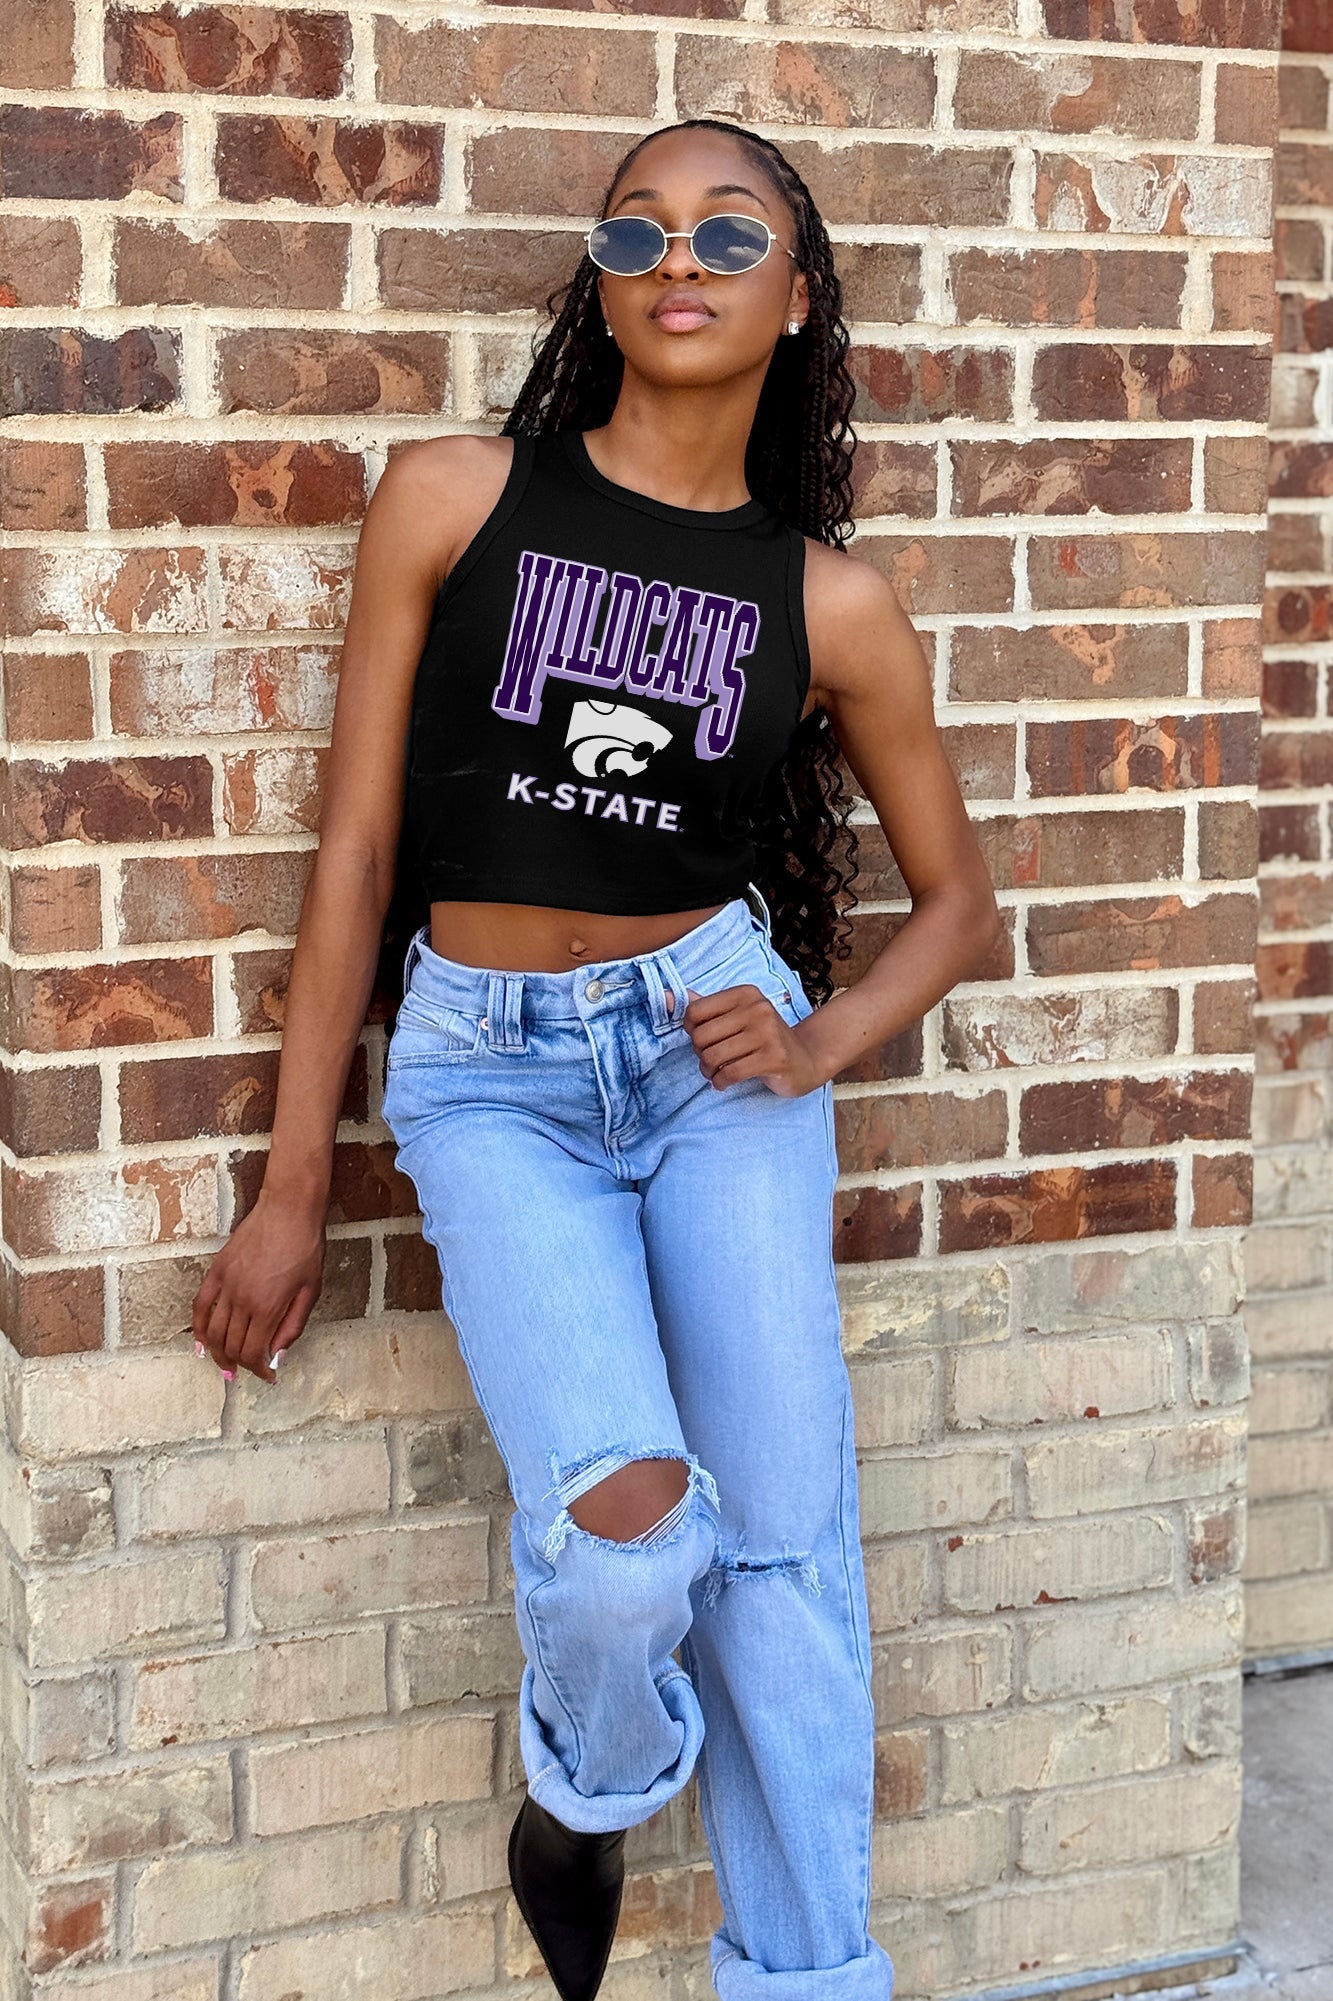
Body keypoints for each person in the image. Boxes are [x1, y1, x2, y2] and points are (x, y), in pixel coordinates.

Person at [192, 115, 1001, 2001]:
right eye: (636, 234)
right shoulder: (452, 499)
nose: (678, 259)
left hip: (714, 1072)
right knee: (630, 1550)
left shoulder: (829, 605)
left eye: (729, 232)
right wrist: (295, 1180)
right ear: (601, 286)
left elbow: (960, 902)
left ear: (797, 301)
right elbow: (359, 856)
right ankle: (595, 1780)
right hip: (491, 1075)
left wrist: (814, 1036)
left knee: (781, 1555)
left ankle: (809, 1976)